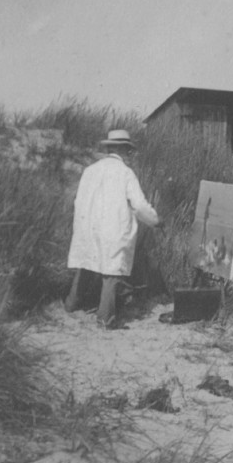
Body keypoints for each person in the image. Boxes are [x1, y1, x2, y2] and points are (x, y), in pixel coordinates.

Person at [65, 129, 162, 328]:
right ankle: (105, 318)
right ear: (124, 150)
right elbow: (140, 205)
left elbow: (79, 200)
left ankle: (71, 305)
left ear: (109, 148)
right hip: (112, 229)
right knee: (111, 273)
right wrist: (156, 221)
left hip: (88, 227)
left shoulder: (90, 170)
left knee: (86, 264)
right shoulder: (125, 173)